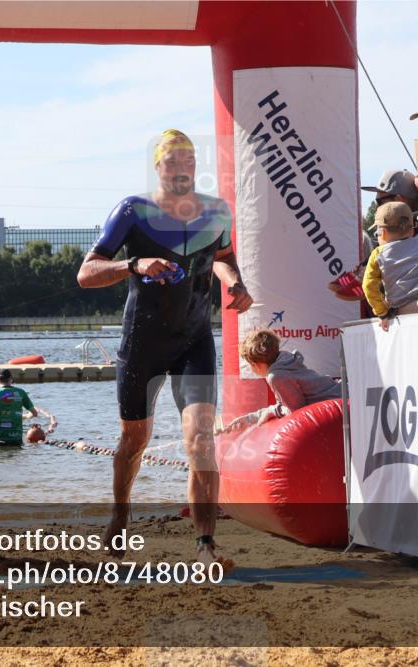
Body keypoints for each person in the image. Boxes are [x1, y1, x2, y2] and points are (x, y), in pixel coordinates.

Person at [76, 129, 252, 564]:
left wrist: (236, 284)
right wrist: (133, 264)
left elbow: (223, 259)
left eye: (188, 161)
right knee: (134, 439)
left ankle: (205, 545)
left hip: (194, 339)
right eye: (171, 162)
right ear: (158, 167)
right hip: (141, 343)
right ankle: (120, 515)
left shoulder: (217, 211)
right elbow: (86, 272)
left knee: (201, 440)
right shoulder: (133, 211)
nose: (181, 169)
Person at [221, 329, 342, 432]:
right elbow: (284, 406)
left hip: (340, 401)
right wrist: (250, 418)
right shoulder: (284, 359)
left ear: (255, 364)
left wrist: (269, 412)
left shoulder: (276, 376)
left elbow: (295, 411)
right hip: (341, 391)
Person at [362, 202, 418, 331]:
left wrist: (382, 312)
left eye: (377, 233)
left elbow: (368, 286)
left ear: (384, 233)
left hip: (399, 315)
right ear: (412, 230)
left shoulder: (377, 254)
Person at [0, 369, 36, 446]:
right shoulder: (21, 392)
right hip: (16, 439)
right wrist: (25, 416)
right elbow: (34, 413)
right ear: (11, 379)